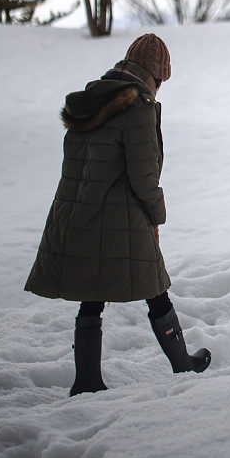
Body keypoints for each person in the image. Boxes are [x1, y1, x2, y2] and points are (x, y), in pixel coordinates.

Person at [24, 34, 210, 397]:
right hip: (120, 214)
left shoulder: (92, 98)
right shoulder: (137, 107)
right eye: (161, 81)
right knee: (156, 286)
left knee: (91, 295)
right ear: (155, 74)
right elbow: (144, 176)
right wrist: (157, 215)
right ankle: (182, 363)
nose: (159, 89)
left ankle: (87, 381)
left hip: (78, 212)